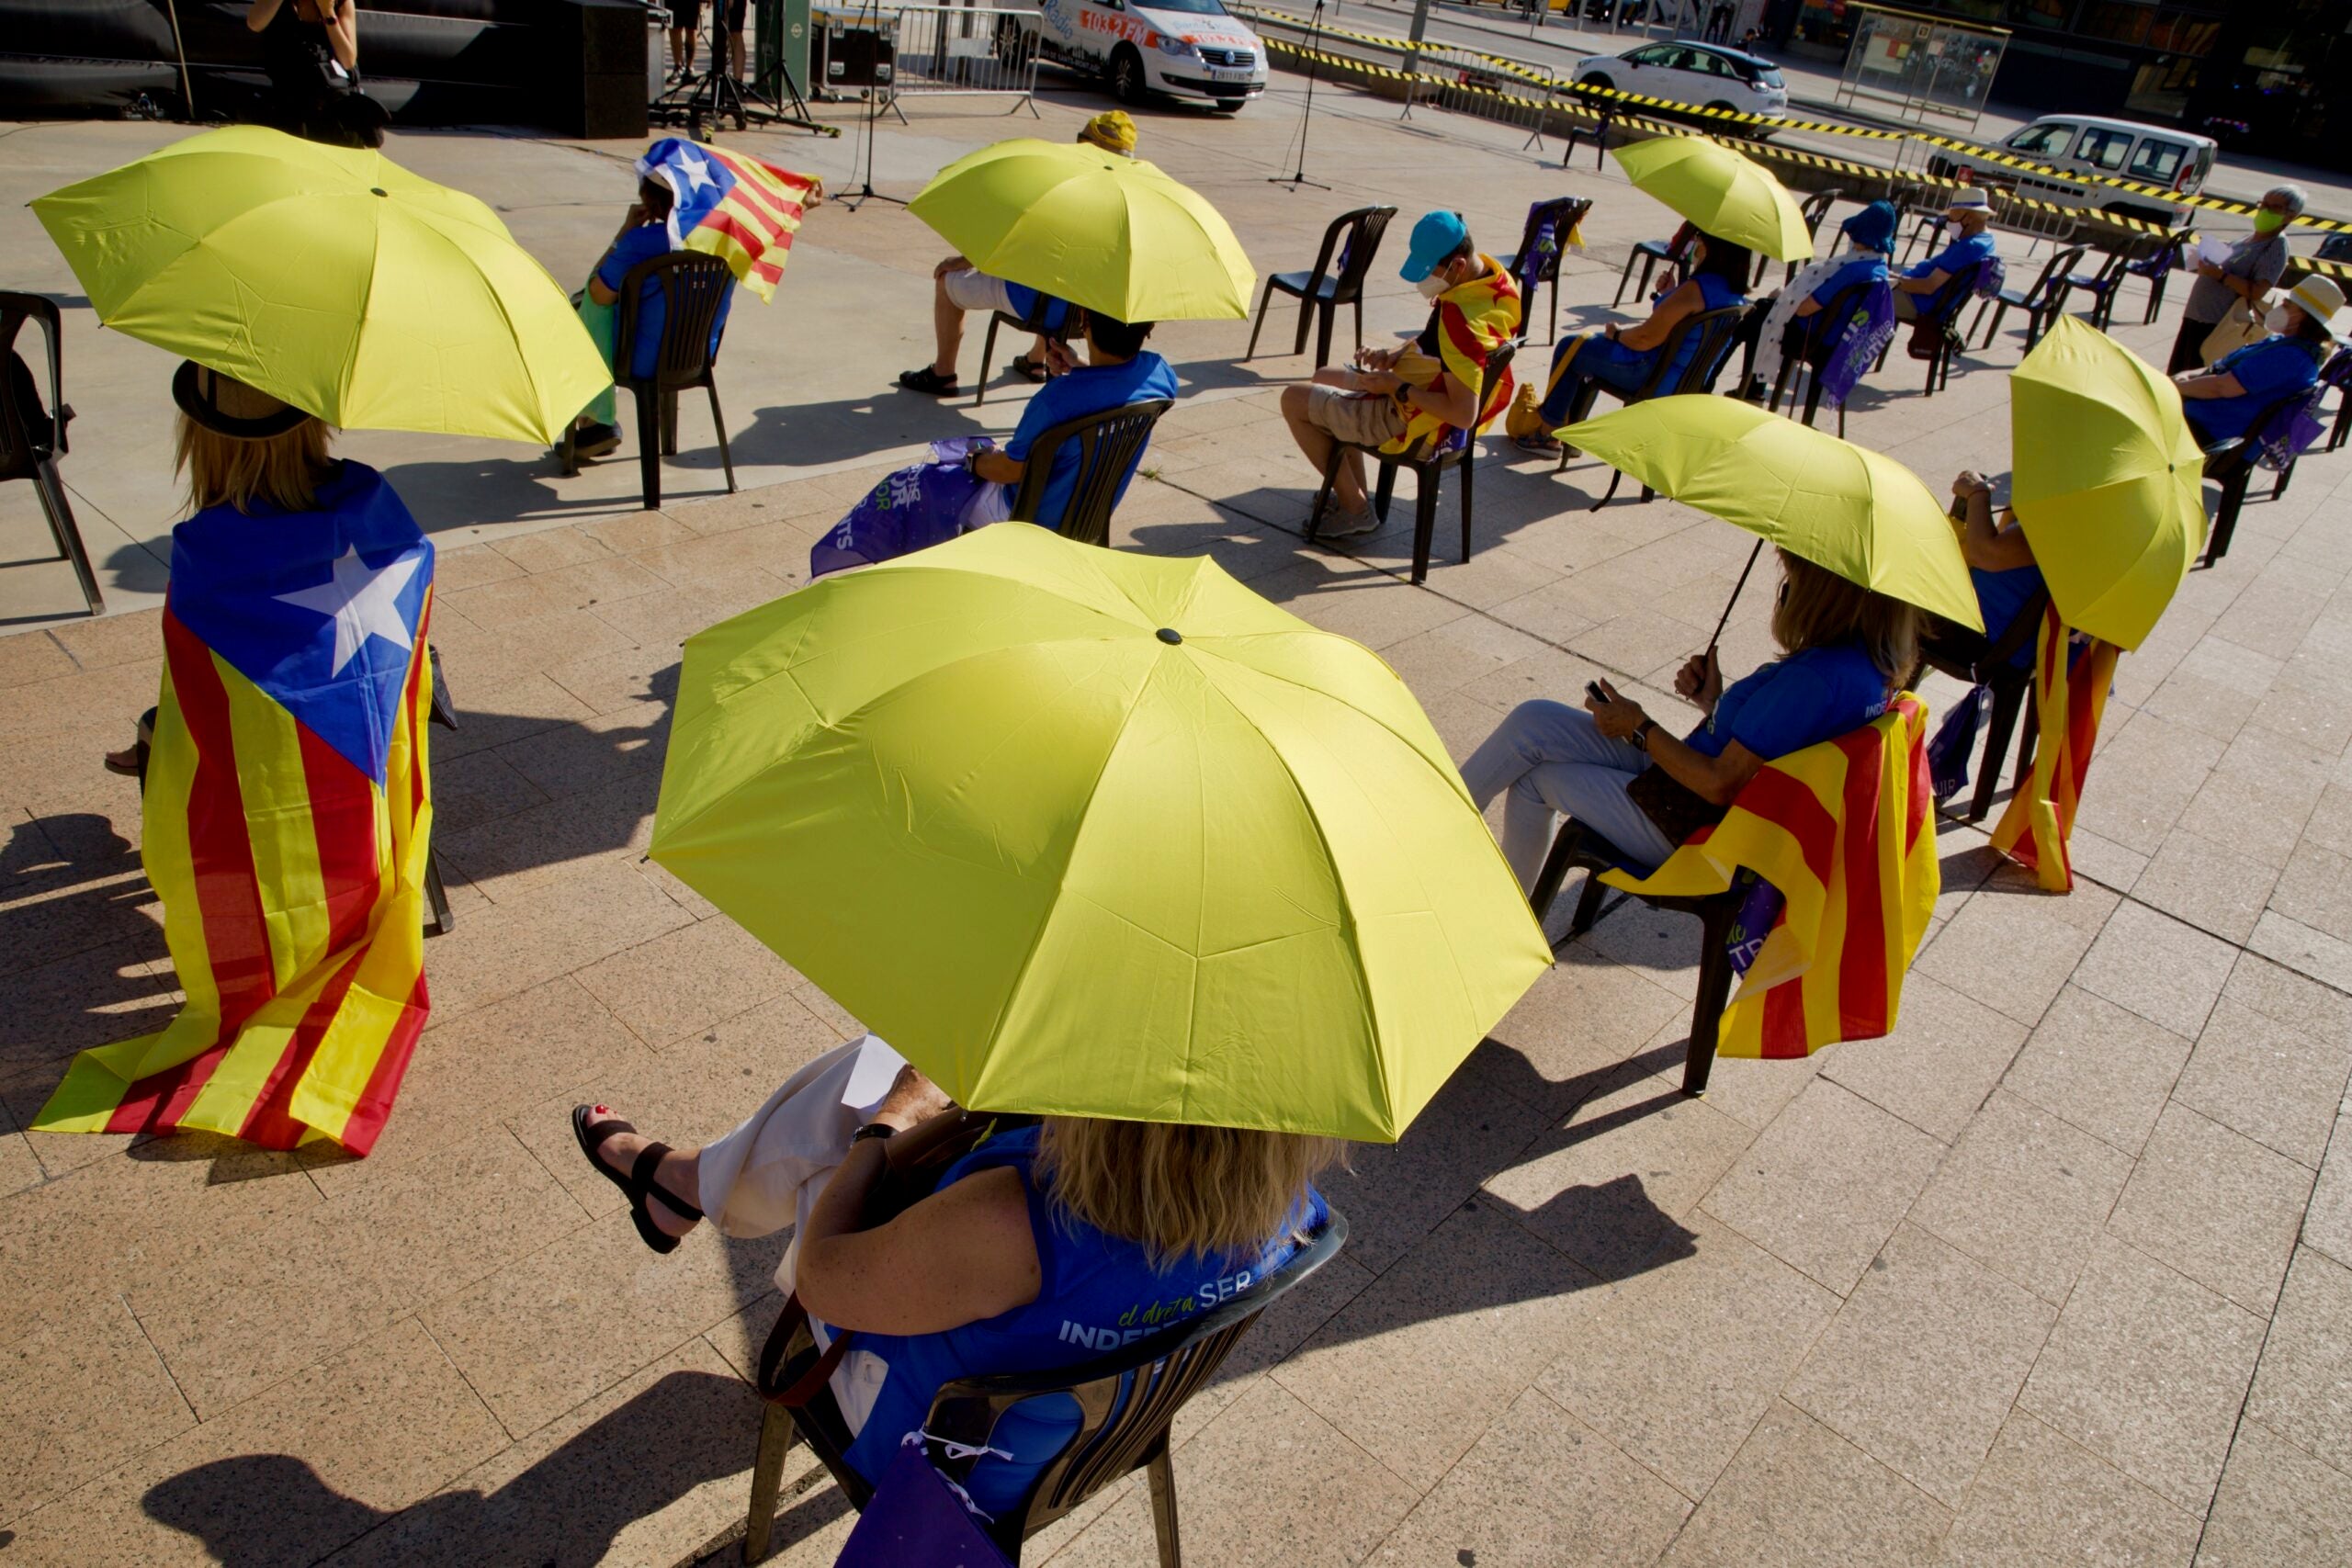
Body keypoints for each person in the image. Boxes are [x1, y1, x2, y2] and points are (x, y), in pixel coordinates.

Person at [571, 1040, 1336, 1517]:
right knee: (880, 1084)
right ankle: (684, 1184)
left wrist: (893, 1126)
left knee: (859, 1096)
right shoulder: (1291, 1204)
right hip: (1104, 1421)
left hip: (943, 1450)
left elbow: (822, 1278)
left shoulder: (1019, 1220)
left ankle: (683, 1184)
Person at [1459, 549, 1919, 886]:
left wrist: (1638, 726)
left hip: (1695, 824)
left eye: (1792, 583)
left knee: (1536, 779)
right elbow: (1770, 747)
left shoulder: (1816, 679)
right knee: (1533, 720)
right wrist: (1713, 703)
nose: (1785, 594)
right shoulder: (1863, 668)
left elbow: (1722, 782)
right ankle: (1447, 821)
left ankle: (1505, 904)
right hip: (1693, 790)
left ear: (1826, 597)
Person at [1277, 209, 1521, 538]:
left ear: (1458, 265)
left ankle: (1355, 509)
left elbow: (1464, 414)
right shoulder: (1494, 281)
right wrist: (1395, 355)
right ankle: (1354, 493)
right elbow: (1438, 343)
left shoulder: (1461, 321)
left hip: (1418, 421)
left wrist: (1399, 387)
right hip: (1416, 388)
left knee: (1293, 399)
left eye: (1429, 271)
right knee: (1323, 376)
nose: (1424, 282)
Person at [898, 114, 1138, 398]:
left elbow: (1011, 239)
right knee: (1059, 280)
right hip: (1089, 316)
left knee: (948, 281)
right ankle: (1036, 360)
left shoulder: (1061, 187)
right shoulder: (1131, 204)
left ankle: (943, 373)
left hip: (1036, 303)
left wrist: (966, 260)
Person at [1514, 228, 1751, 453]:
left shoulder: (1696, 289)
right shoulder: (1733, 294)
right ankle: (1570, 437)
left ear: (1713, 248)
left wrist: (1616, 334)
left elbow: (1644, 339)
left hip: (1651, 376)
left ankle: (1548, 434)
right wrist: (1671, 294)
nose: (1696, 245)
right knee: (1590, 347)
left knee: (1573, 346)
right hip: (1686, 382)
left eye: (1699, 239)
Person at [563, 175, 741, 461]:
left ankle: (594, 422)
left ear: (651, 200)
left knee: (578, 310)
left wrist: (623, 233)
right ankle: (598, 425)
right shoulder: (725, 239)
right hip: (697, 354)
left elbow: (597, 293)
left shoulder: (639, 242)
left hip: (641, 359)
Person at [965, 309, 1179, 534]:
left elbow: (1010, 470)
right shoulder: (1159, 374)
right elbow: (1122, 390)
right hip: (1091, 518)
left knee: (936, 488)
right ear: (1150, 328)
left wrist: (973, 459)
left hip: (1027, 520)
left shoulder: (1054, 401)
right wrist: (1080, 365)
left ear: (1084, 320)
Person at [1742, 199, 1896, 399]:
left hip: (1815, 336)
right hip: (1840, 338)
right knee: (1765, 308)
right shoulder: (1879, 269)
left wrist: (1785, 297)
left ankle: (1748, 389)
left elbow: (1804, 309)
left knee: (1758, 315)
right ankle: (1751, 389)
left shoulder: (1850, 271)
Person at [2173, 274, 2340, 447]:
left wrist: (2175, 387)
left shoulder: (2290, 357)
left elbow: (2222, 387)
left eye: (2286, 305)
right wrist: (2186, 376)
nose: (2279, 308)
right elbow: (2221, 367)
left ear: (2303, 317)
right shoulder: (2285, 343)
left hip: (2212, 429)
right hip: (2207, 418)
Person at [2166, 185, 2304, 376]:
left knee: (2188, 378)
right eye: (2263, 204)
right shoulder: (2249, 238)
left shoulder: (2276, 246)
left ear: (2291, 216)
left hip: (2216, 323)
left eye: (2274, 207)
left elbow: (2257, 292)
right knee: (2176, 373)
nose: (2264, 210)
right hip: (2197, 315)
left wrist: (2220, 275)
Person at [1934, 469, 2043, 671]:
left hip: (1987, 641)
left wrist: (1978, 494)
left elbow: (1984, 552)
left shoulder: (2063, 520)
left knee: (1890, 593)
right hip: (2000, 632)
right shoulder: (2069, 503)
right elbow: (2002, 537)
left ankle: (1871, 689)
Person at [245, 0, 386, 147]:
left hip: (331, 104)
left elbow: (348, 60)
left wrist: (328, 13)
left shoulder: (342, 3)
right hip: (289, 102)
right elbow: (254, 23)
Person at [1894, 187, 1996, 321]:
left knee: (1863, 292)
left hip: (1919, 302)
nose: (1949, 222)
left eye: (1952, 216)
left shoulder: (1968, 247)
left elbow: (1928, 286)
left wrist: (1894, 282)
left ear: (1969, 218)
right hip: (1924, 297)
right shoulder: (1986, 240)